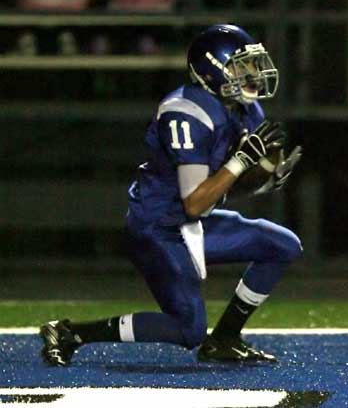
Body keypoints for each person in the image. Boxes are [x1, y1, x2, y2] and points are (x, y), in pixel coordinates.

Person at [40, 24, 303, 366]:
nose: (253, 74)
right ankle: (72, 333)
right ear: (212, 69)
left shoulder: (245, 108)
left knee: (282, 245)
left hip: (192, 220)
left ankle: (225, 339)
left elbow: (219, 192)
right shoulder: (186, 113)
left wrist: (263, 177)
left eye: (252, 65)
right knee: (187, 330)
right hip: (158, 227)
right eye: (243, 66)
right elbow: (194, 201)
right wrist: (241, 162)